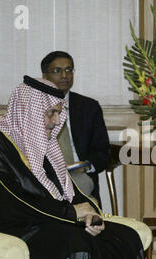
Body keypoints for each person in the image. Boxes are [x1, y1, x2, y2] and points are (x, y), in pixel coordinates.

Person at [0, 76, 150, 259]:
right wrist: (71, 213)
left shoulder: (43, 148)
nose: (56, 121)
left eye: (58, 113)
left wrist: (91, 216)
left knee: (125, 238)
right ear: (29, 110)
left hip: (51, 221)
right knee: (78, 250)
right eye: (50, 113)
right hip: (16, 229)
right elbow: (10, 201)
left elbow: (68, 191)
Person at [41, 51, 110, 207]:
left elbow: (102, 149)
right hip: (47, 175)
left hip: (79, 174)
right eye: (57, 70)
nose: (64, 75)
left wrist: (87, 165)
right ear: (45, 76)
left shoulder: (89, 107)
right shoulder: (34, 106)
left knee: (79, 188)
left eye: (69, 70)